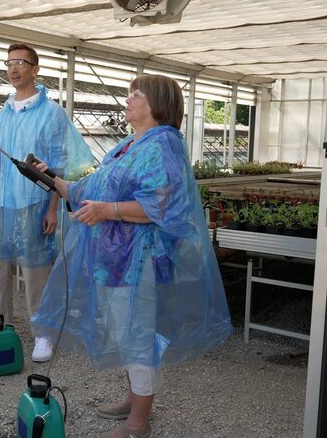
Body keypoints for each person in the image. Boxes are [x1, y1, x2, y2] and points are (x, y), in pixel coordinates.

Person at [30, 75, 232, 438]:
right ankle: (134, 400)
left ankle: (138, 423)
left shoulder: (163, 144)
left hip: (138, 262)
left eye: (135, 94)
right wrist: (52, 178)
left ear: (157, 104)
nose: (128, 100)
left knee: (137, 336)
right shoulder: (130, 144)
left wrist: (109, 211)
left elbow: (166, 205)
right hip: (112, 260)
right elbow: (91, 188)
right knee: (127, 334)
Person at [0, 43, 94, 363]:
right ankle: (0, 326)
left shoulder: (51, 113)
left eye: (20, 63)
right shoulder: (4, 111)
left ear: (35, 69)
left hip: (34, 202)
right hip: (1, 201)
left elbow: (58, 163)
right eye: (9, 63)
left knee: (36, 273)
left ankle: (43, 334)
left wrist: (53, 207)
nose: (13, 68)